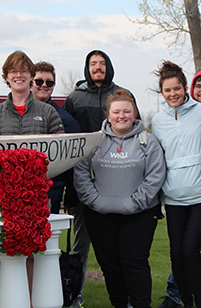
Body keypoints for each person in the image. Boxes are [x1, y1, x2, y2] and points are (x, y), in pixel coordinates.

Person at [0, 50, 64, 307]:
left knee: (32, 254)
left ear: (30, 77)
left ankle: (30, 302)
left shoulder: (48, 114)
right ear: (6, 77)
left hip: (37, 198)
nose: (19, 75)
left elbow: (60, 155)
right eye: (13, 71)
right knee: (1, 253)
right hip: (1, 199)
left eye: (24, 71)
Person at [62, 49, 140, 308]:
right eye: (93, 63)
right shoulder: (74, 98)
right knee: (79, 246)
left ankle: (127, 298)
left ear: (109, 67)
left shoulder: (121, 94)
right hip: (85, 179)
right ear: (87, 67)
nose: (98, 67)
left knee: (123, 249)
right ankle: (75, 295)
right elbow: (69, 142)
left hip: (118, 176)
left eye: (102, 63)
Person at [74, 89, 166, 308]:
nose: (121, 116)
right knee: (110, 267)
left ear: (135, 114)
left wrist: (134, 203)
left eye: (127, 111)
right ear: (108, 115)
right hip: (100, 216)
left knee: (135, 264)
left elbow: (155, 176)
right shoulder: (94, 141)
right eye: (116, 112)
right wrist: (96, 201)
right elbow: (81, 173)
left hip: (139, 215)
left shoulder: (148, 142)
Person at [151, 62, 201, 308]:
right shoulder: (158, 121)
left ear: (185, 87)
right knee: (177, 254)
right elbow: (158, 160)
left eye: (177, 88)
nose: (173, 94)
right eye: (167, 90)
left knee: (191, 251)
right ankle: (186, 302)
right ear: (162, 92)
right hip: (173, 197)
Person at [31, 61, 81, 214]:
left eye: (49, 82)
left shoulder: (66, 120)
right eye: (39, 81)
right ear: (30, 82)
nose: (44, 85)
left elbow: (75, 161)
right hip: (17, 187)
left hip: (52, 189)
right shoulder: (13, 114)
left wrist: (71, 196)